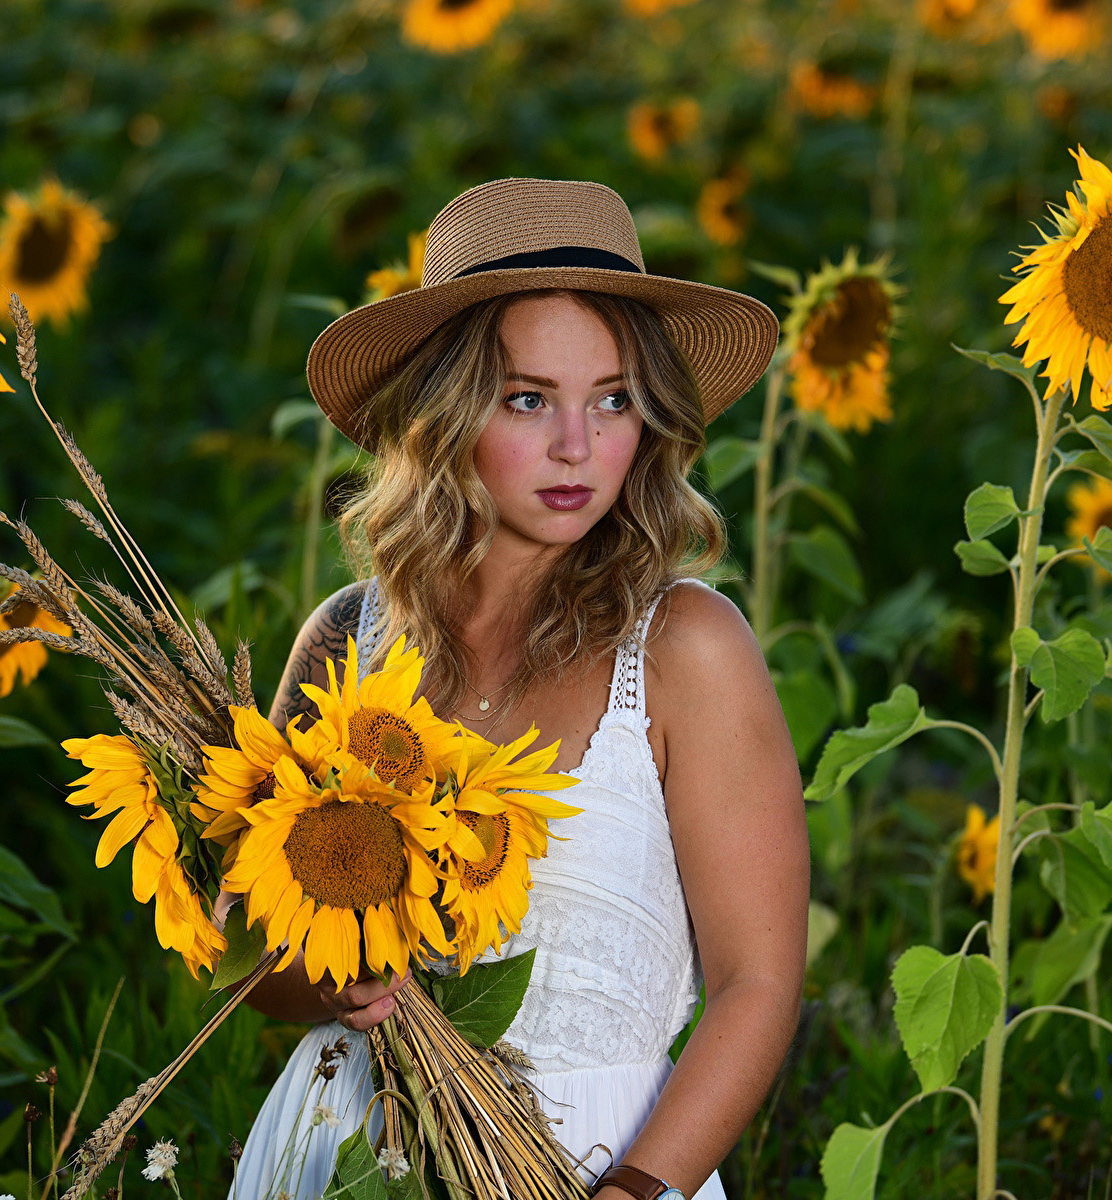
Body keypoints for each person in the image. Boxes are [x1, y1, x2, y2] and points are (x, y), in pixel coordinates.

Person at [216, 177, 809, 1200]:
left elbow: (759, 983)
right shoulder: (348, 640)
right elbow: (240, 947)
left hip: (606, 1162)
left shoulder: (685, 649)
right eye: (527, 398)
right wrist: (331, 978)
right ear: (442, 412)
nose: (578, 447)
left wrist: (633, 1193)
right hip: (348, 1149)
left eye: (613, 398)